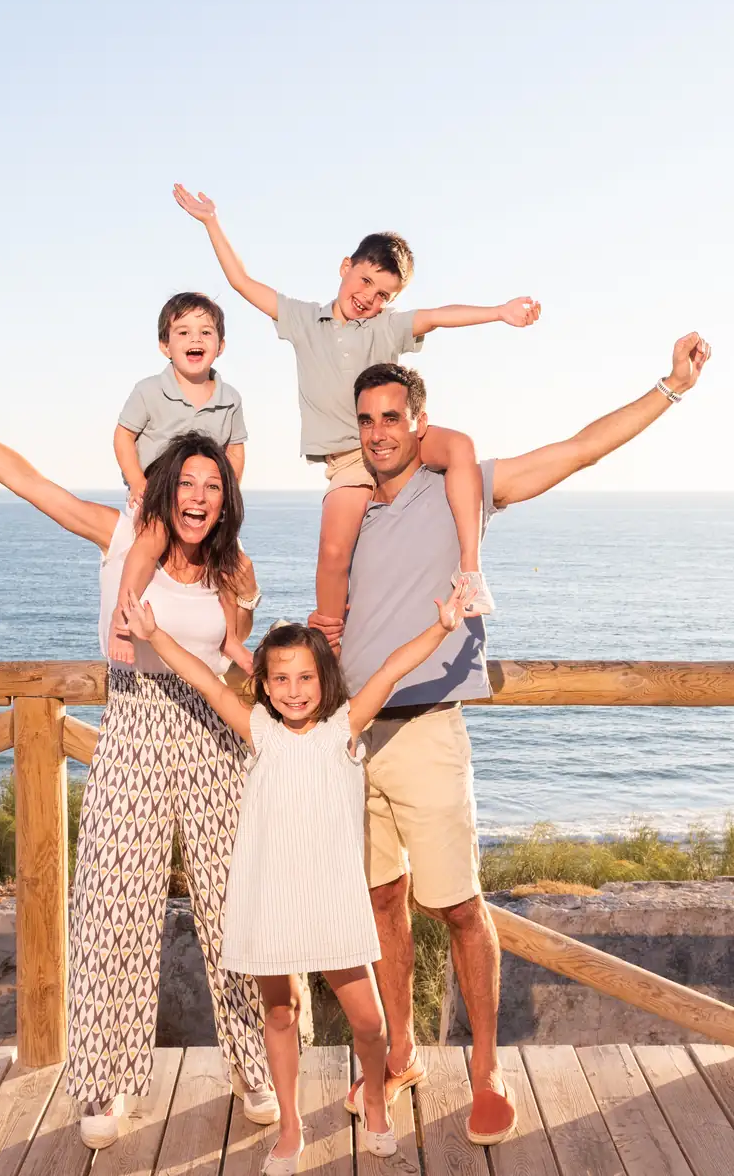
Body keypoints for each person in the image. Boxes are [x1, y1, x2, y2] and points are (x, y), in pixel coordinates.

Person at [309, 331, 711, 1147]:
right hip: (350, 736)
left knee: (457, 906)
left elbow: (575, 452)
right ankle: (399, 1054)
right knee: (378, 900)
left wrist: (668, 388)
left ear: (419, 423)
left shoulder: (464, 486)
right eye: (368, 419)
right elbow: (331, 609)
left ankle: (486, 1069)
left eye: (393, 416)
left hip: (427, 731)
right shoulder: (351, 506)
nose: (380, 431)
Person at [0, 364, 277, 1151]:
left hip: (212, 740)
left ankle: (256, 1066)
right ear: (166, 487)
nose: (200, 495)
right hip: (133, 731)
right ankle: (107, 1083)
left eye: (213, 484)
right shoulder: (119, 536)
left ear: (225, 497)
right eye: (188, 482)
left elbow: (239, 662)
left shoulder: (233, 569)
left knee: (235, 909)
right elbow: (28, 481)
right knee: (113, 911)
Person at [122, 581, 473, 1176]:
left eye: (305, 678)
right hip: (270, 898)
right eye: (280, 679)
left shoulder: (344, 730)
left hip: (331, 901)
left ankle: (375, 1101)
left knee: (368, 1021)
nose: (293, 691)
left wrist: (443, 628)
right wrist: (155, 635)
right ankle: (290, 1127)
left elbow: (390, 670)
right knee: (278, 1014)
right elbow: (205, 681)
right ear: (262, 686)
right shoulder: (257, 729)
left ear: (324, 679)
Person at [172, 182, 540, 633]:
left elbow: (439, 315)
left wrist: (499, 311)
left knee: (460, 447)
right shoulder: (304, 319)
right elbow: (242, 282)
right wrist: (211, 222)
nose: (369, 297)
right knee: (333, 551)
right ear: (346, 268)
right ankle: (331, 635)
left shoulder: (386, 328)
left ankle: (470, 570)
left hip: (400, 441)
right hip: (351, 458)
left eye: (384, 294)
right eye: (366, 281)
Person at [110, 291, 253, 674]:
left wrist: (225, 493)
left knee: (225, 561)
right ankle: (121, 622)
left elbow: (235, 450)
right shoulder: (149, 390)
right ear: (164, 345)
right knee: (151, 541)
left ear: (220, 346)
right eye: (184, 332)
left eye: (206, 332)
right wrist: (138, 483)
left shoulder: (230, 398)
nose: (195, 340)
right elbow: (123, 436)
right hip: (156, 495)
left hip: (202, 504)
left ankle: (232, 640)